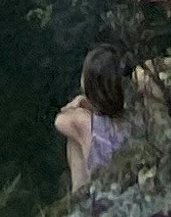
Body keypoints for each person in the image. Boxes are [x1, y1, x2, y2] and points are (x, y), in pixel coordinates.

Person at [53, 40, 132, 194]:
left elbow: (60, 121)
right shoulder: (134, 117)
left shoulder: (88, 123)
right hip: (126, 174)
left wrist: (77, 104)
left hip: (104, 189)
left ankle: (79, 193)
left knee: (73, 139)